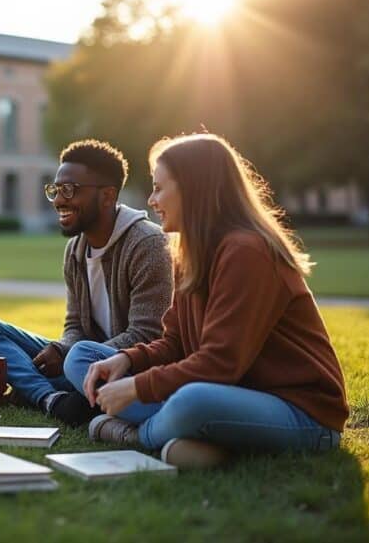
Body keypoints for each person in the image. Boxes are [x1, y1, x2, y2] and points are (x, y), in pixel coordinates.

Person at [66, 133, 349, 469]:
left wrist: (138, 387)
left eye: (159, 188)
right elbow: (174, 341)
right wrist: (127, 361)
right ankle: (198, 439)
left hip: (300, 411)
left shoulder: (247, 251)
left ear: (193, 188)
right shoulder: (190, 253)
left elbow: (220, 363)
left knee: (191, 402)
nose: (152, 200)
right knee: (83, 357)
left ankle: (137, 436)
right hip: (232, 393)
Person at [0, 139, 173, 426]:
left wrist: (69, 353)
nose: (58, 200)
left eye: (69, 190)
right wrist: (60, 348)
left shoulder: (147, 244)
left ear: (107, 196)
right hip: (80, 359)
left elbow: (147, 334)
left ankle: (43, 388)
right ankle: (53, 399)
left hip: (128, 365)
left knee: (75, 356)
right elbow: (75, 326)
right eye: (54, 190)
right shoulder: (75, 250)